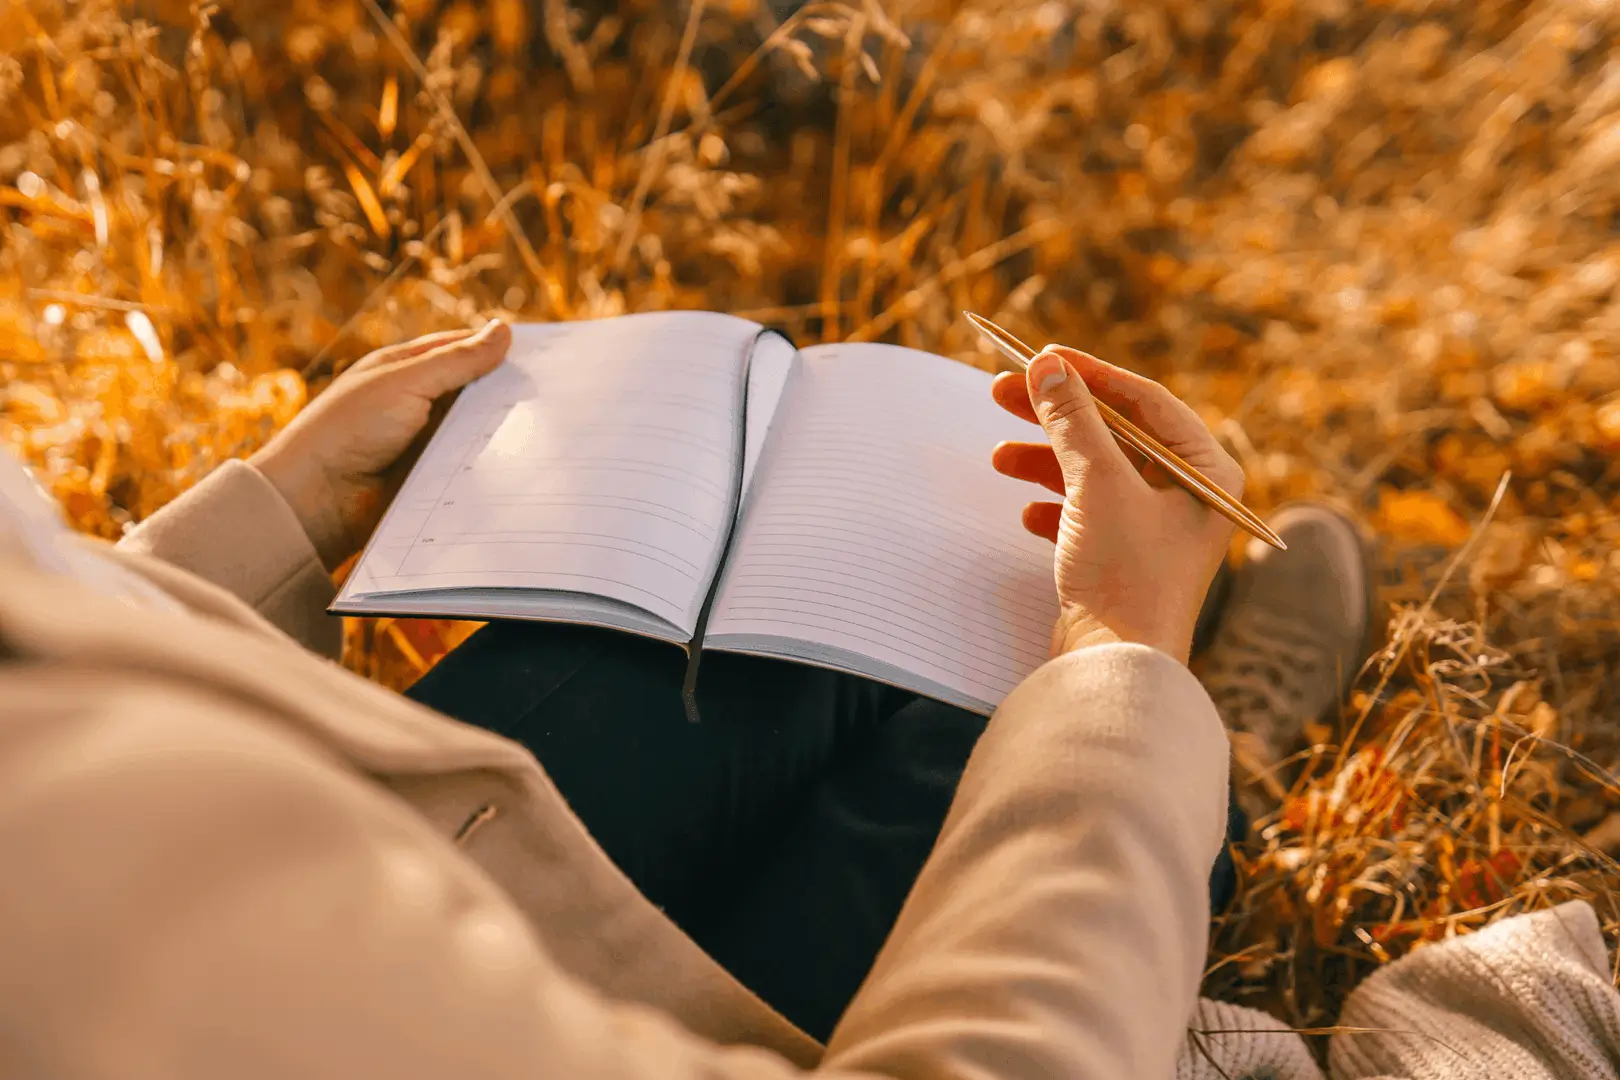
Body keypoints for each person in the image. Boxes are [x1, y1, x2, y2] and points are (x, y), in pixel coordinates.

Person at [2, 320, 1616, 1079]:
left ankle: (1135, 722)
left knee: (781, 643)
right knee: (972, 756)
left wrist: (257, 521)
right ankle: (1215, 759)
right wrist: (1124, 655)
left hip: (357, 863)